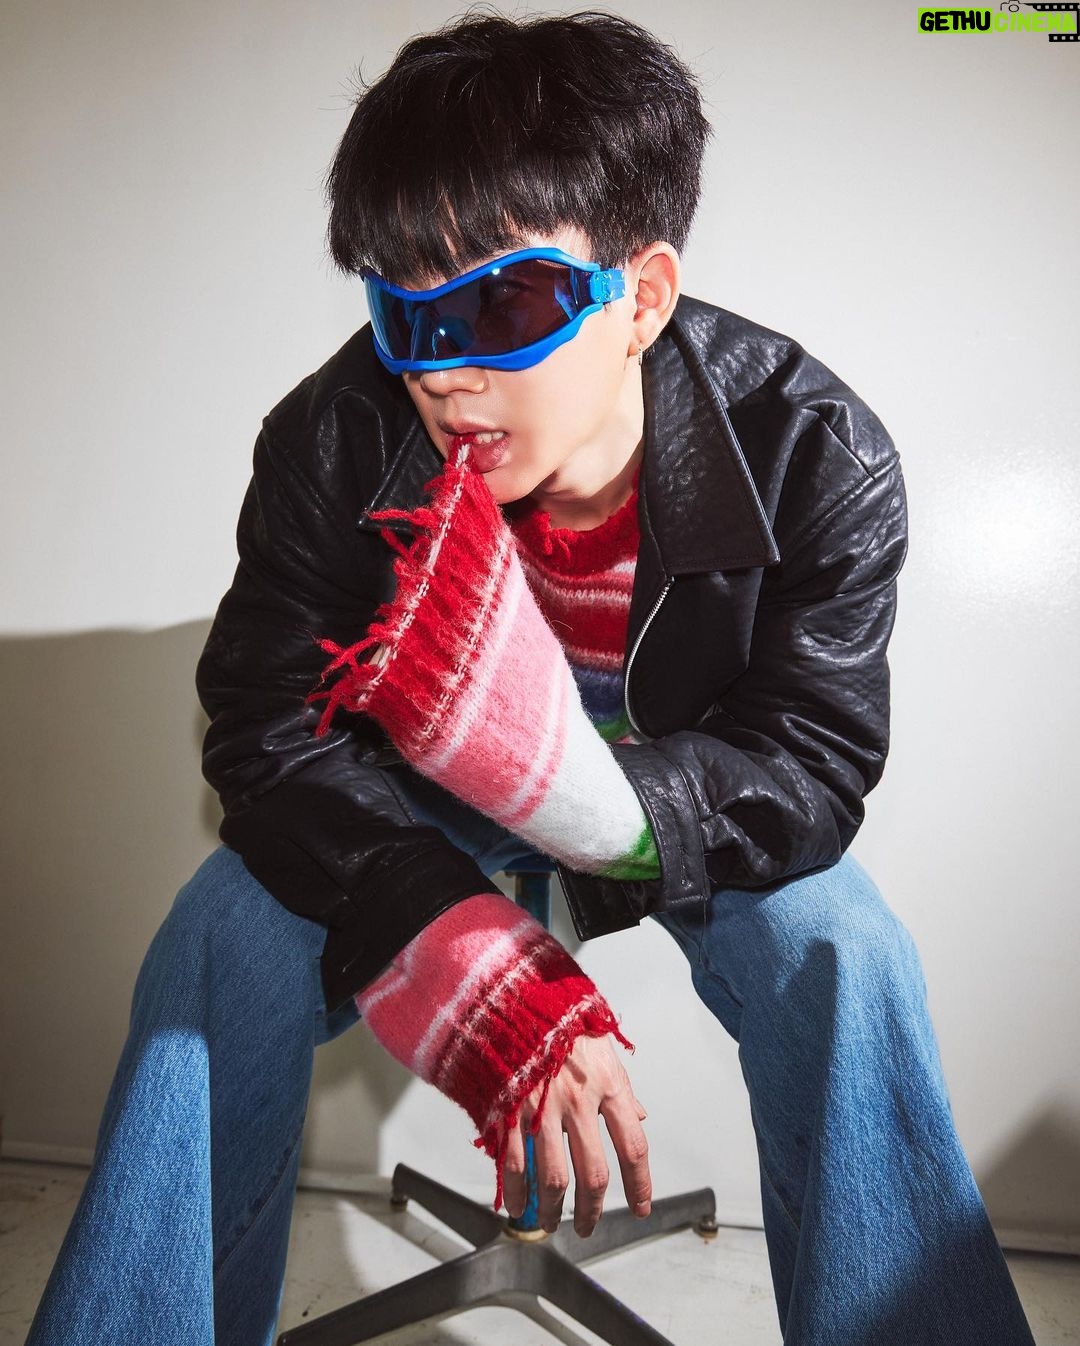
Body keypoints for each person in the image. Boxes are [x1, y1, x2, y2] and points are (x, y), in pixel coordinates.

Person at [27, 12, 1036, 1346]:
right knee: (219, 940)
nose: (444, 374)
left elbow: (811, 761)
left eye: (503, 305)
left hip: (669, 791)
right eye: (405, 312)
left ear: (643, 296)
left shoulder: (815, 451)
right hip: (414, 793)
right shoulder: (332, 434)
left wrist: (600, 821)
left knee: (847, 955)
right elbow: (267, 731)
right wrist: (459, 936)